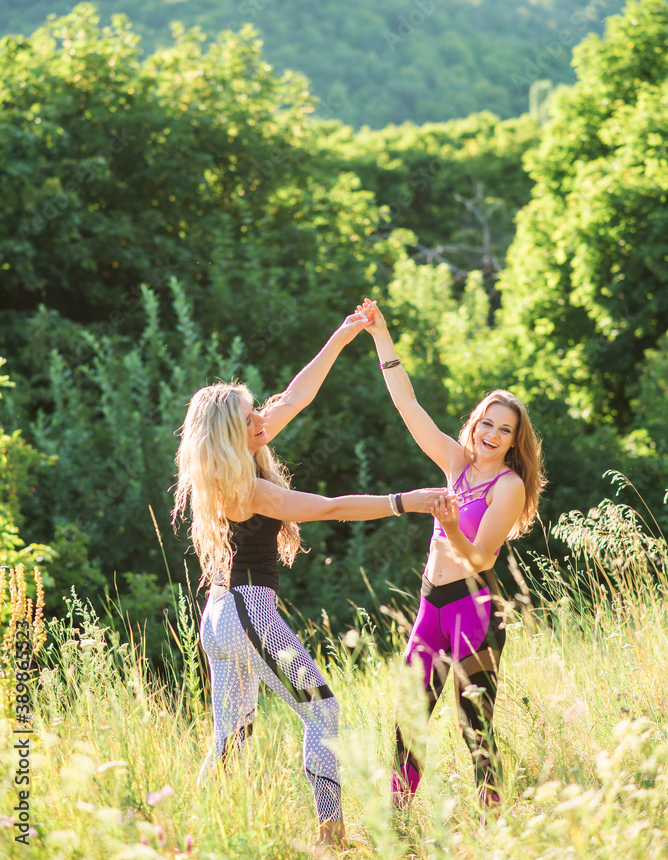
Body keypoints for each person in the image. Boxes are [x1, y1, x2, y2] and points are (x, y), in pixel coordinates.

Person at [172, 310, 446, 848]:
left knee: (231, 738)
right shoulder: (249, 489)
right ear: (234, 431)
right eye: (253, 417)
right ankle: (330, 836)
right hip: (250, 611)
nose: (263, 421)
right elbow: (333, 507)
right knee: (322, 709)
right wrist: (405, 502)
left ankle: (192, 839)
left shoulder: (229, 468)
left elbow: (296, 396)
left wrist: (344, 336)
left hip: (219, 616)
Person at [358, 298, 545, 808]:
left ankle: (491, 829)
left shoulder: (507, 486)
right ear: (476, 422)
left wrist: (447, 527)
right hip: (429, 608)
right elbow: (407, 405)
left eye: (504, 430)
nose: (491, 434)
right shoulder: (455, 462)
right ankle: (398, 822)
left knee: (475, 731)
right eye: (488, 422)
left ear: (513, 441)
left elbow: (482, 558)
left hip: (473, 610)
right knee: (408, 720)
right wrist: (381, 335)